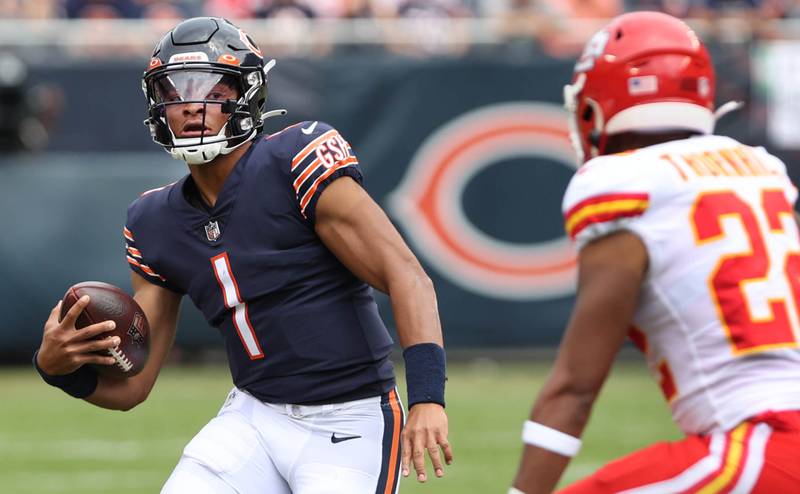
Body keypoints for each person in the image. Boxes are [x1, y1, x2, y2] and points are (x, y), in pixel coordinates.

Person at [34, 17, 452, 493]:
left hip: (351, 416)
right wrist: (54, 368)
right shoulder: (153, 220)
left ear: (247, 94)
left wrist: (427, 398)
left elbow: (407, 275)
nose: (193, 105)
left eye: (213, 90)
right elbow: (133, 386)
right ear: (157, 106)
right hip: (253, 416)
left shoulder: (296, 158)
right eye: (175, 91)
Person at [510, 11, 800, 494]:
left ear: (596, 105)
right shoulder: (762, 169)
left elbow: (575, 389)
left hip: (765, 443)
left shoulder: (622, 184)